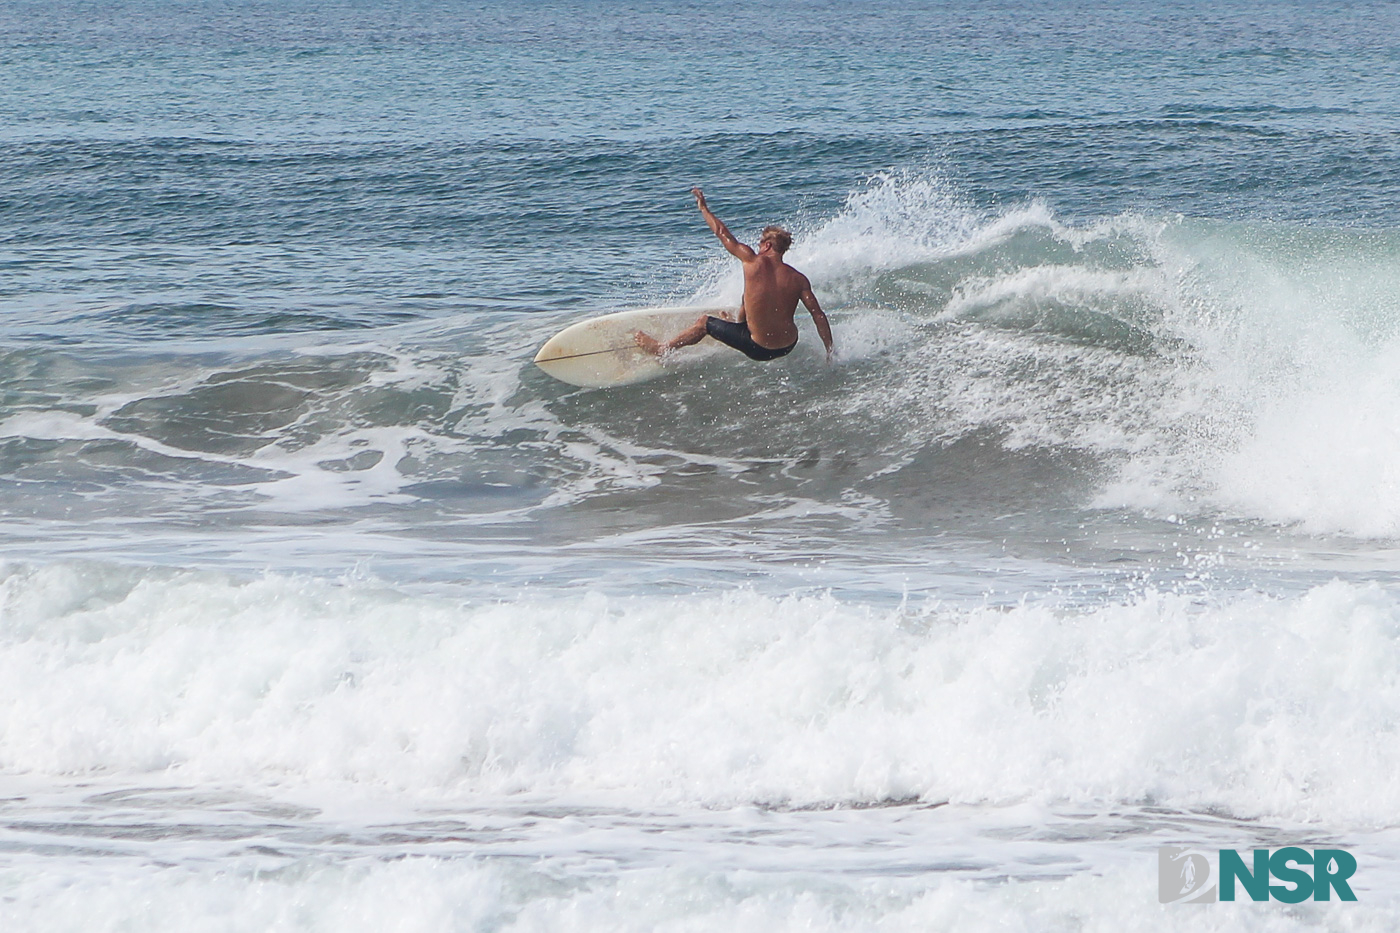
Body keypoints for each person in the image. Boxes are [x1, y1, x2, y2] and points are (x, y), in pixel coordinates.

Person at [635, 187, 833, 363]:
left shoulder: (752, 261)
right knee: (749, 296)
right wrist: (829, 350)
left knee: (704, 322)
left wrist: (704, 208)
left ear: (767, 245)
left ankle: (663, 349)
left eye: (760, 243)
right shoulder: (799, 279)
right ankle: (737, 325)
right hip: (788, 345)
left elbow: (722, 233)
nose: (757, 246)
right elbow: (818, 314)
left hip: (758, 348)